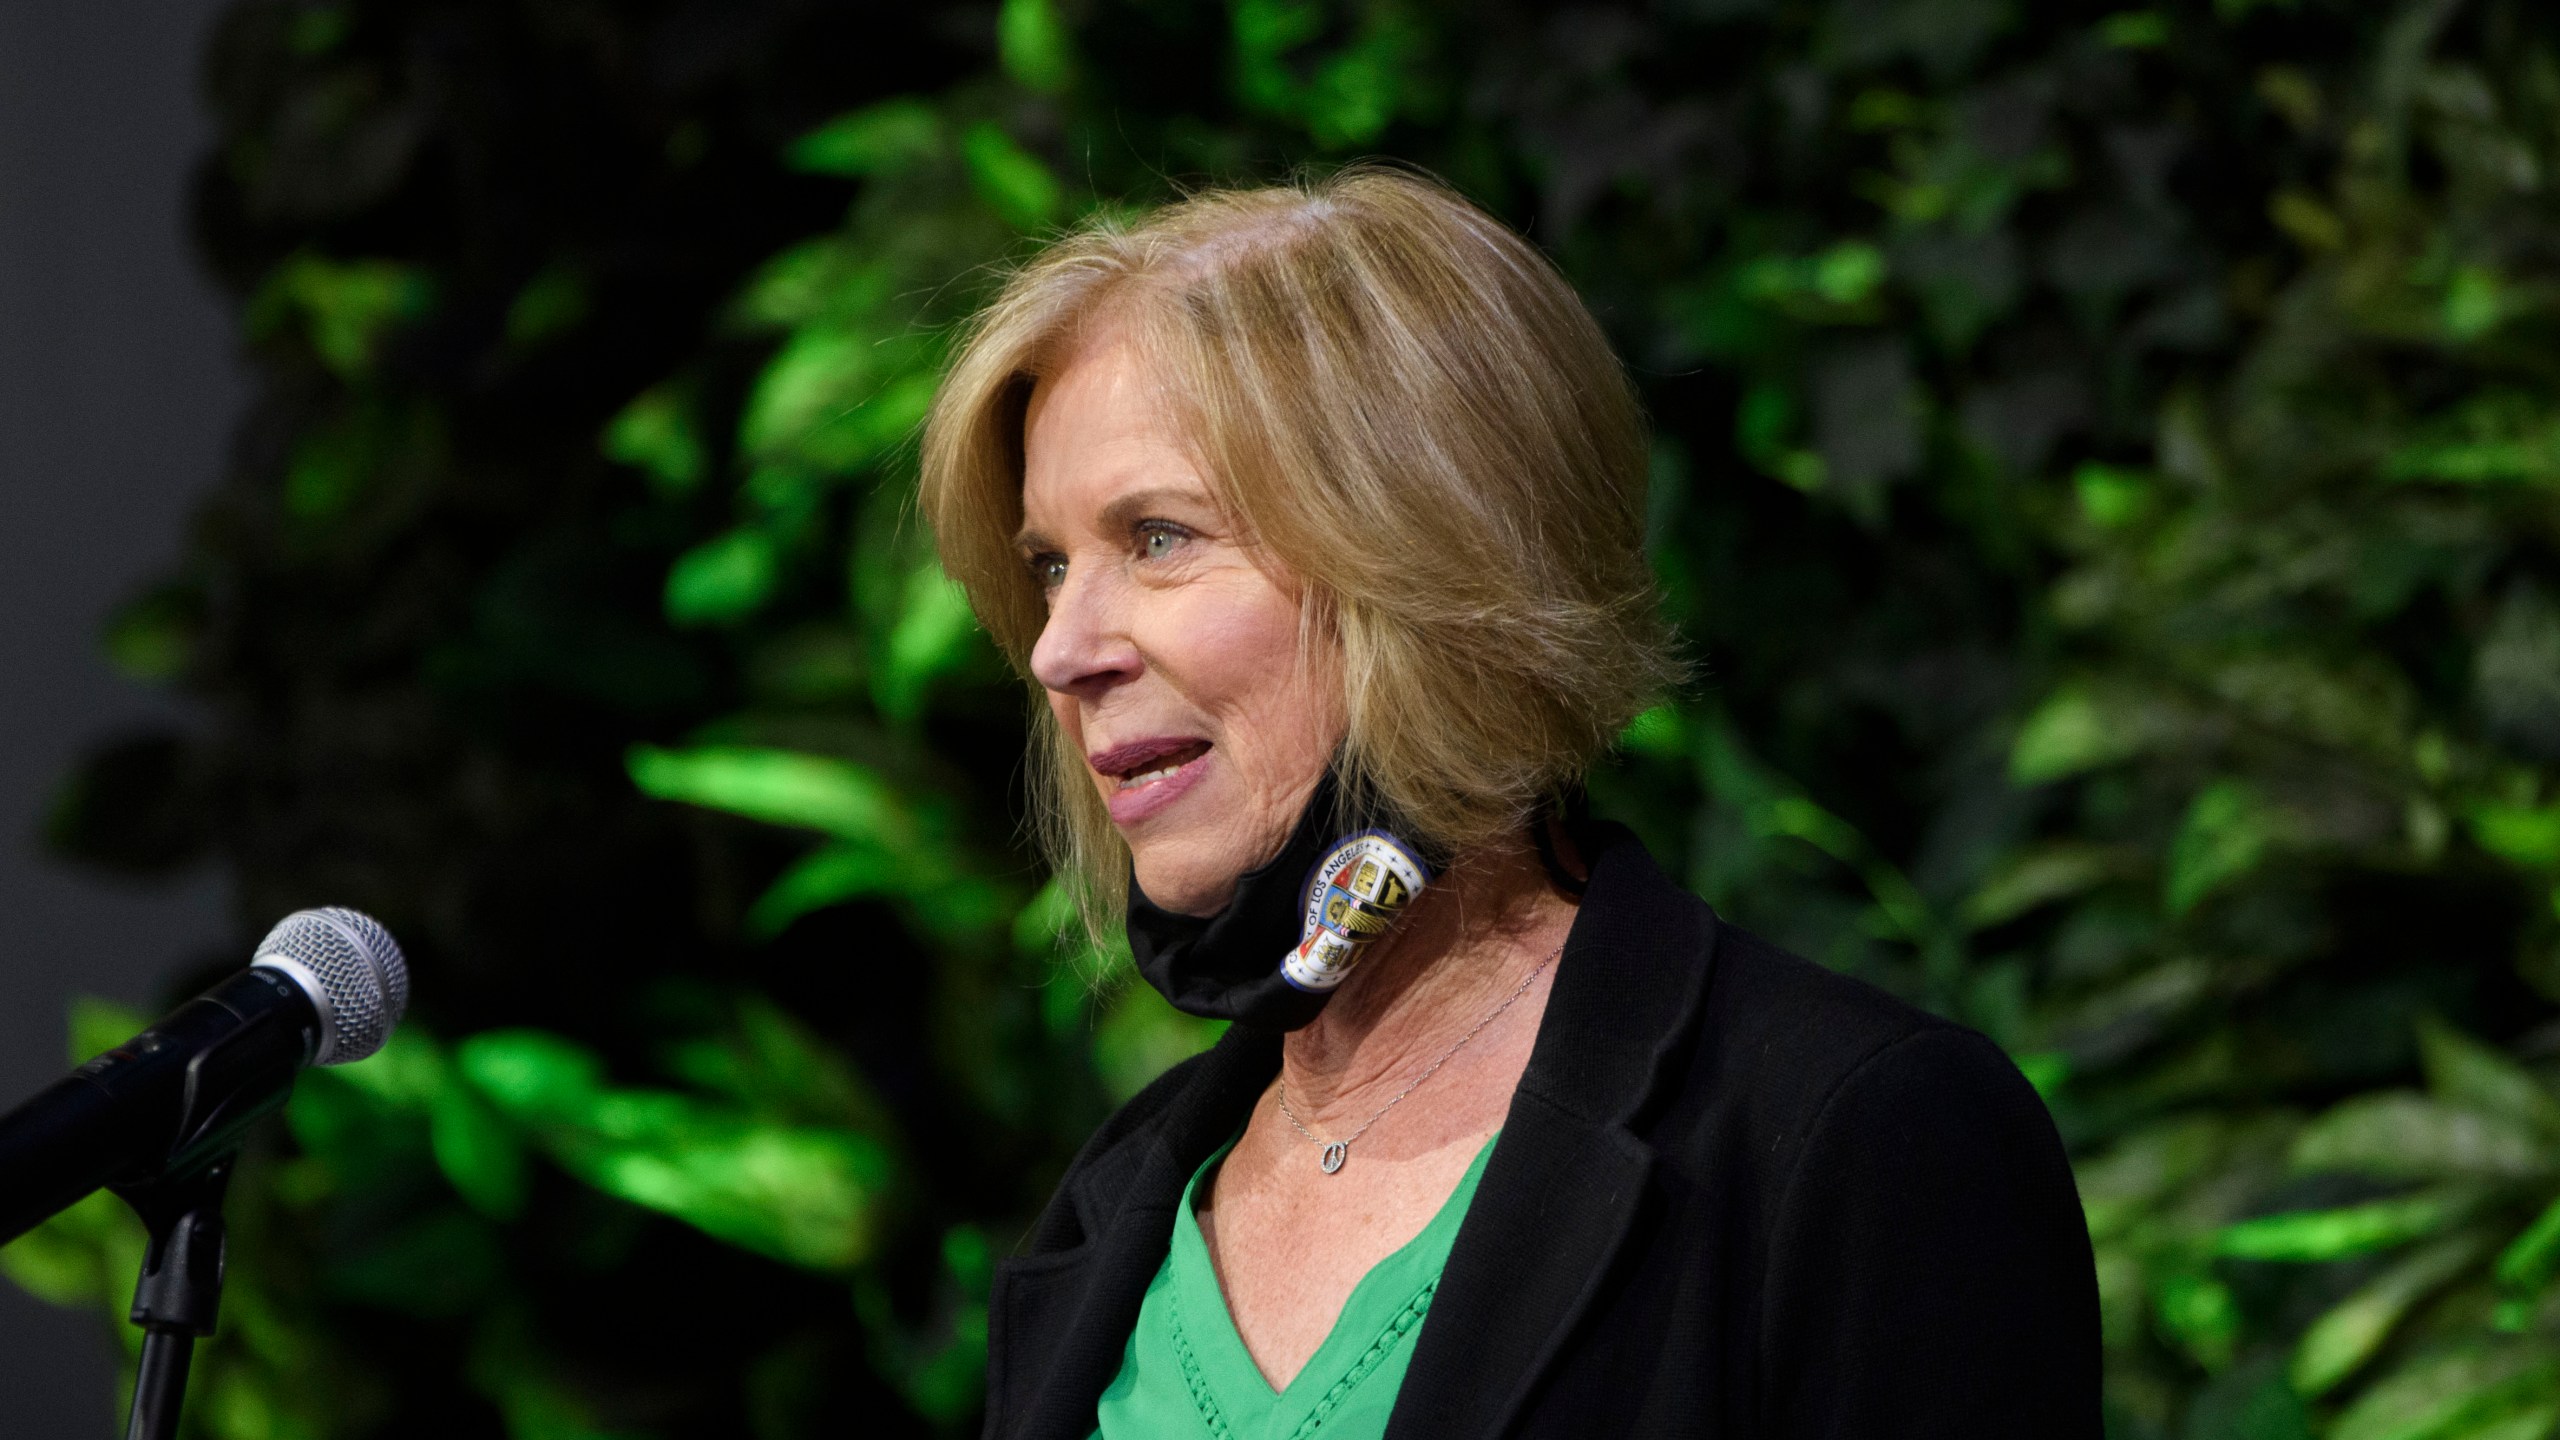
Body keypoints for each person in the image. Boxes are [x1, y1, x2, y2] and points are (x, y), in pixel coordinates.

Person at [920, 166, 2099, 1440]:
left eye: (1156, 536)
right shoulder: (1113, 1206)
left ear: (1430, 557)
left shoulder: (1854, 1137)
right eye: (1049, 565)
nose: (1059, 648)